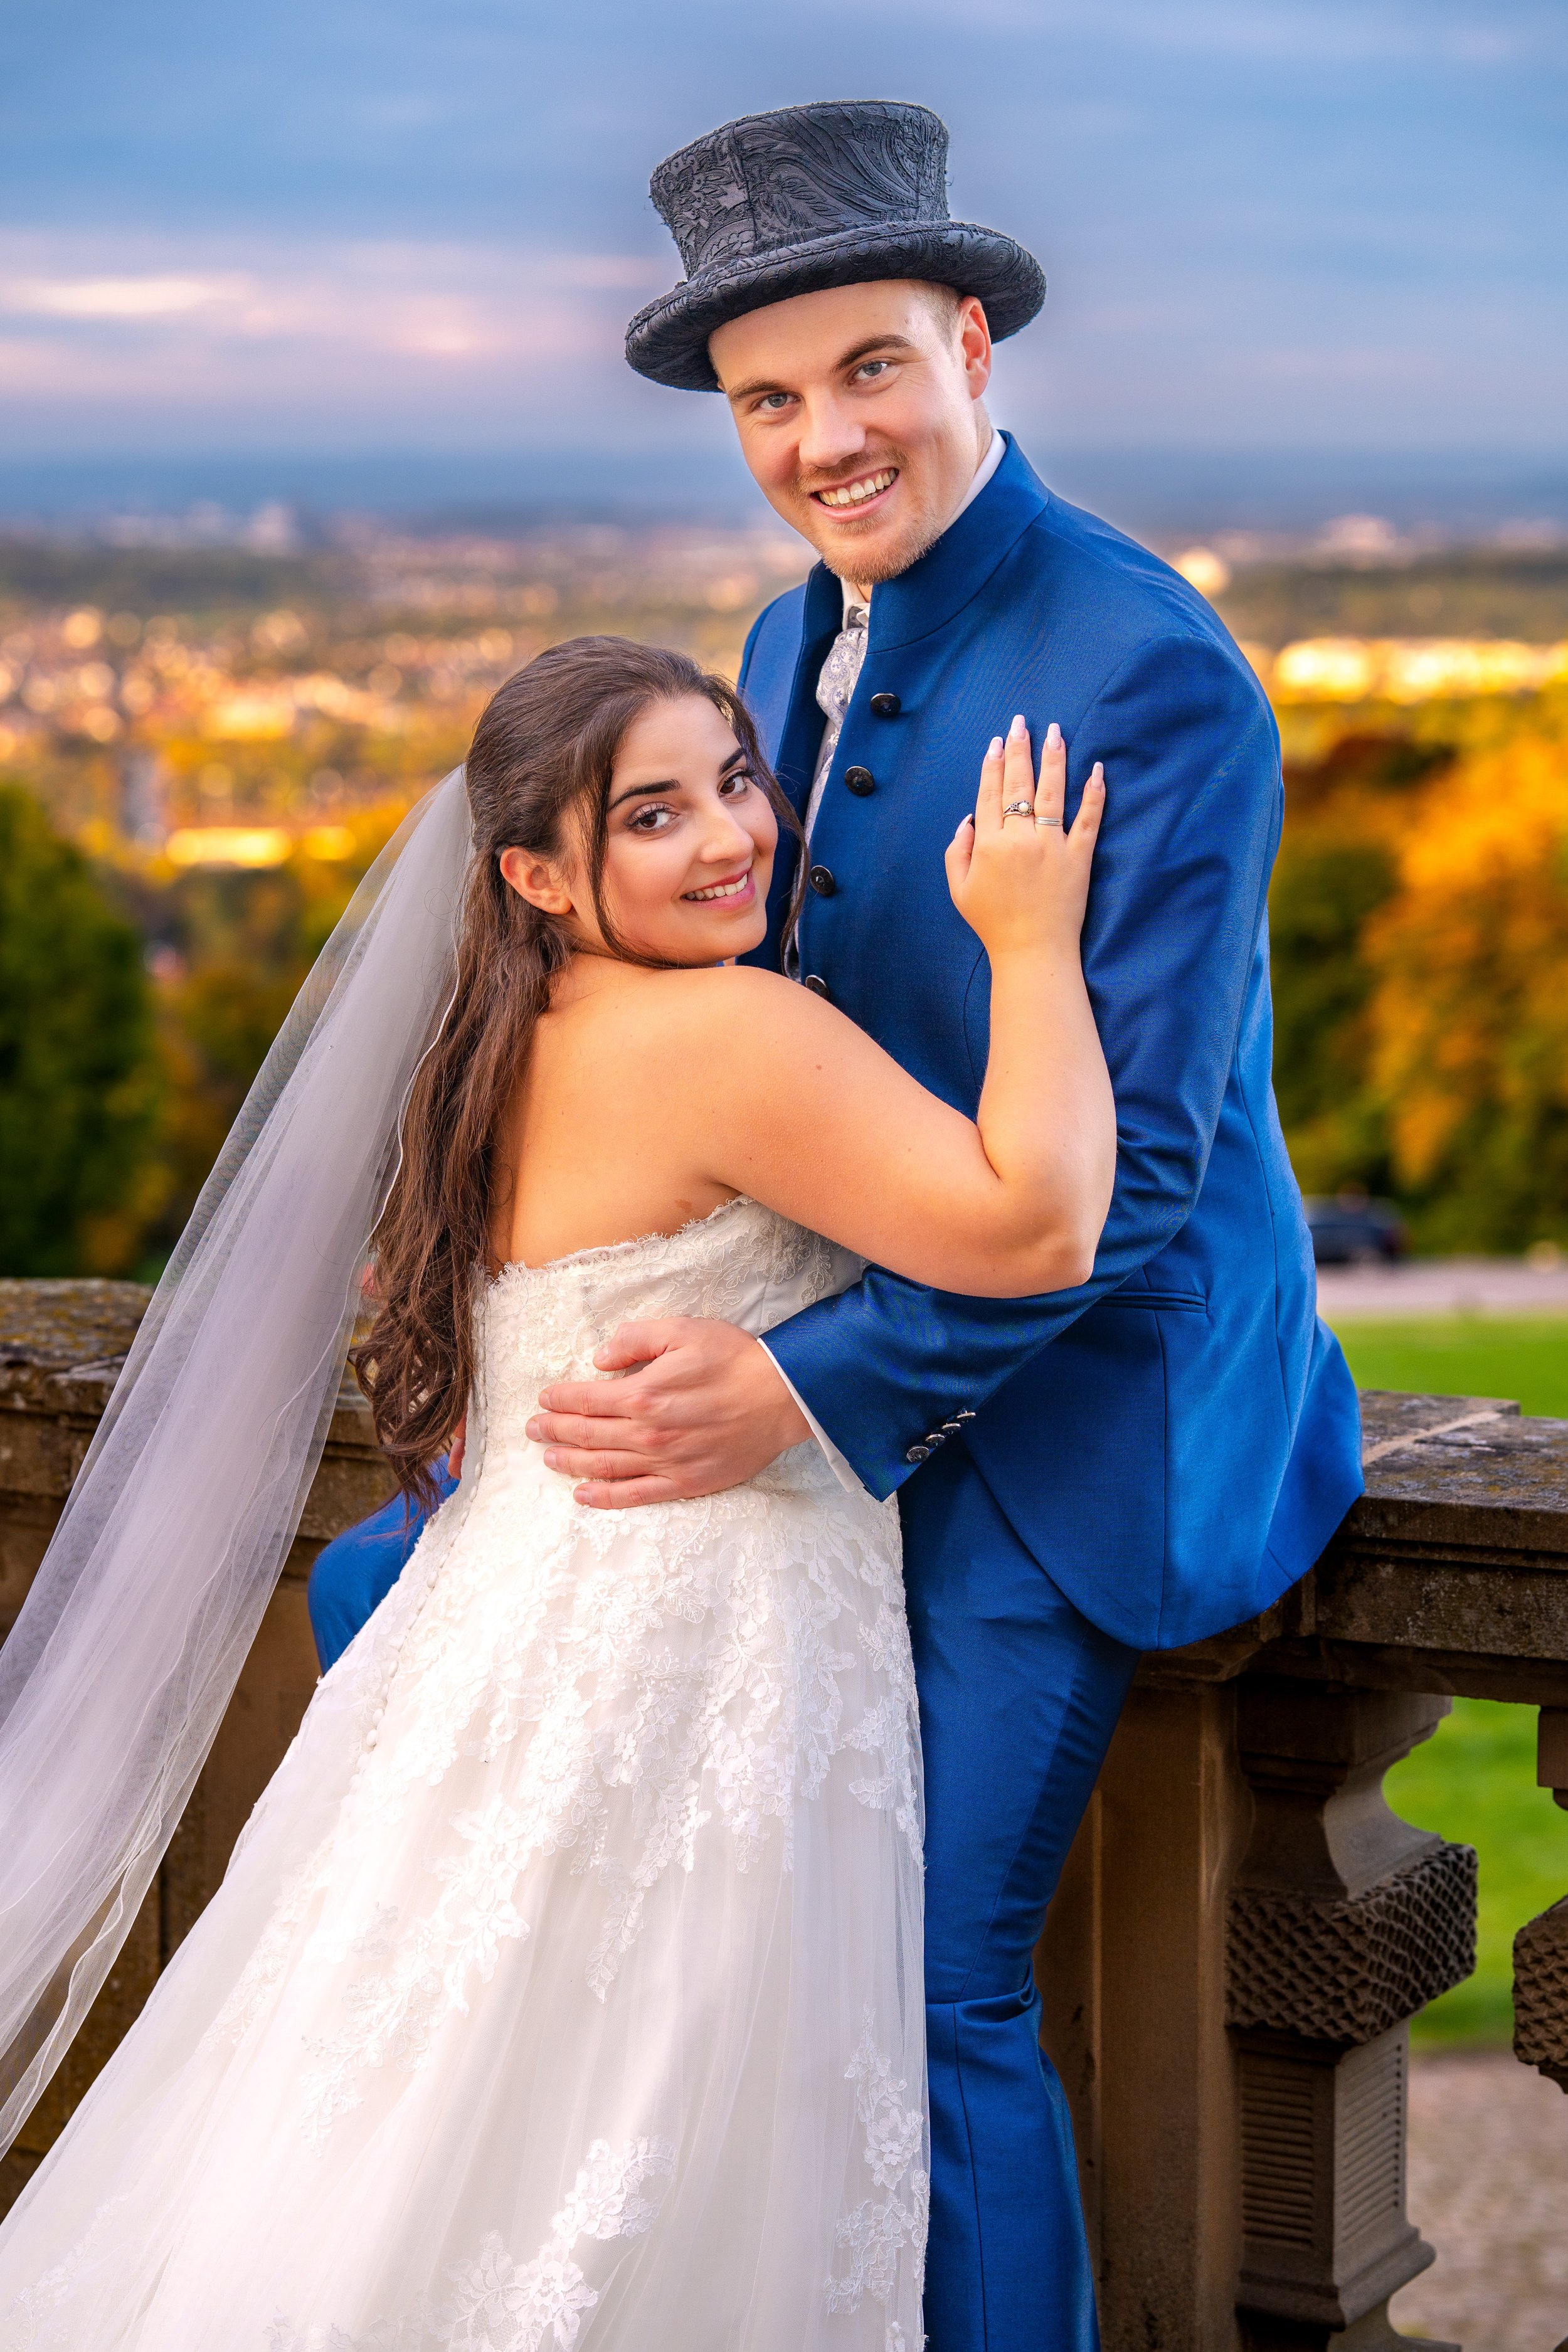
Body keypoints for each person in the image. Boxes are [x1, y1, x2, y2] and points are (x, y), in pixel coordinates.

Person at [311, 100, 1365, 2352]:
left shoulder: (1145, 667)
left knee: (924, 1981)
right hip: (822, 1334)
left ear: (971, 343)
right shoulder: (795, 626)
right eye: (769, 402)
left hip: (1070, 1404)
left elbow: (1137, 1177)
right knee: (379, 1600)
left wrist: (798, 1387)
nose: (822, 441)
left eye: (867, 371)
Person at [0, 636, 1113, 2348]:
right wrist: (1033, 942)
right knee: (653, 2116)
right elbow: (1034, 1225)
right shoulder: (728, 1029)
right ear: (533, 871)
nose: (730, 837)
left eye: (735, 781)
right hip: (695, 1655)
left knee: (426, 2111)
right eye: (652, 815)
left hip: (500, 1634)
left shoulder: (496, 1041)